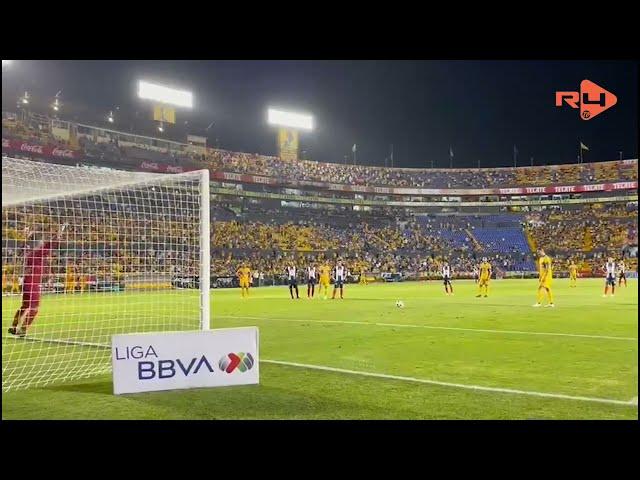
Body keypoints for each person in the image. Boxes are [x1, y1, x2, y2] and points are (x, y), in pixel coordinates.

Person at [10, 225, 65, 337]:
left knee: (25, 306)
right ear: (38, 243)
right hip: (32, 283)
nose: (42, 242)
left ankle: (13, 326)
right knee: (34, 308)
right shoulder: (38, 252)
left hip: (27, 282)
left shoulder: (31, 253)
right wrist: (58, 235)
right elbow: (50, 245)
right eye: (41, 241)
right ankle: (23, 330)